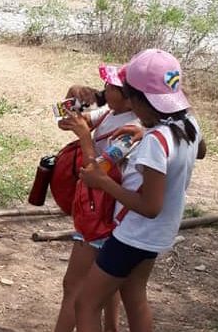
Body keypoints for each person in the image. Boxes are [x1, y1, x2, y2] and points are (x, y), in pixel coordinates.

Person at [75, 49, 206, 332]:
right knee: (134, 297)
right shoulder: (187, 124)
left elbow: (150, 206)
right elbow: (201, 151)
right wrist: (146, 132)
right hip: (159, 235)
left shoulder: (156, 141)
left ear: (139, 100)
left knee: (86, 303)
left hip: (133, 236)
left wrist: (103, 182)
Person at [53, 64, 140, 332]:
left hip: (103, 212)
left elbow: (100, 169)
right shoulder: (111, 111)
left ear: (128, 96)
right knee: (107, 286)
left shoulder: (133, 128)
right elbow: (62, 121)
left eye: (111, 88)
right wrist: (73, 103)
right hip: (100, 208)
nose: (105, 90)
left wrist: (83, 137)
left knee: (75, 286)